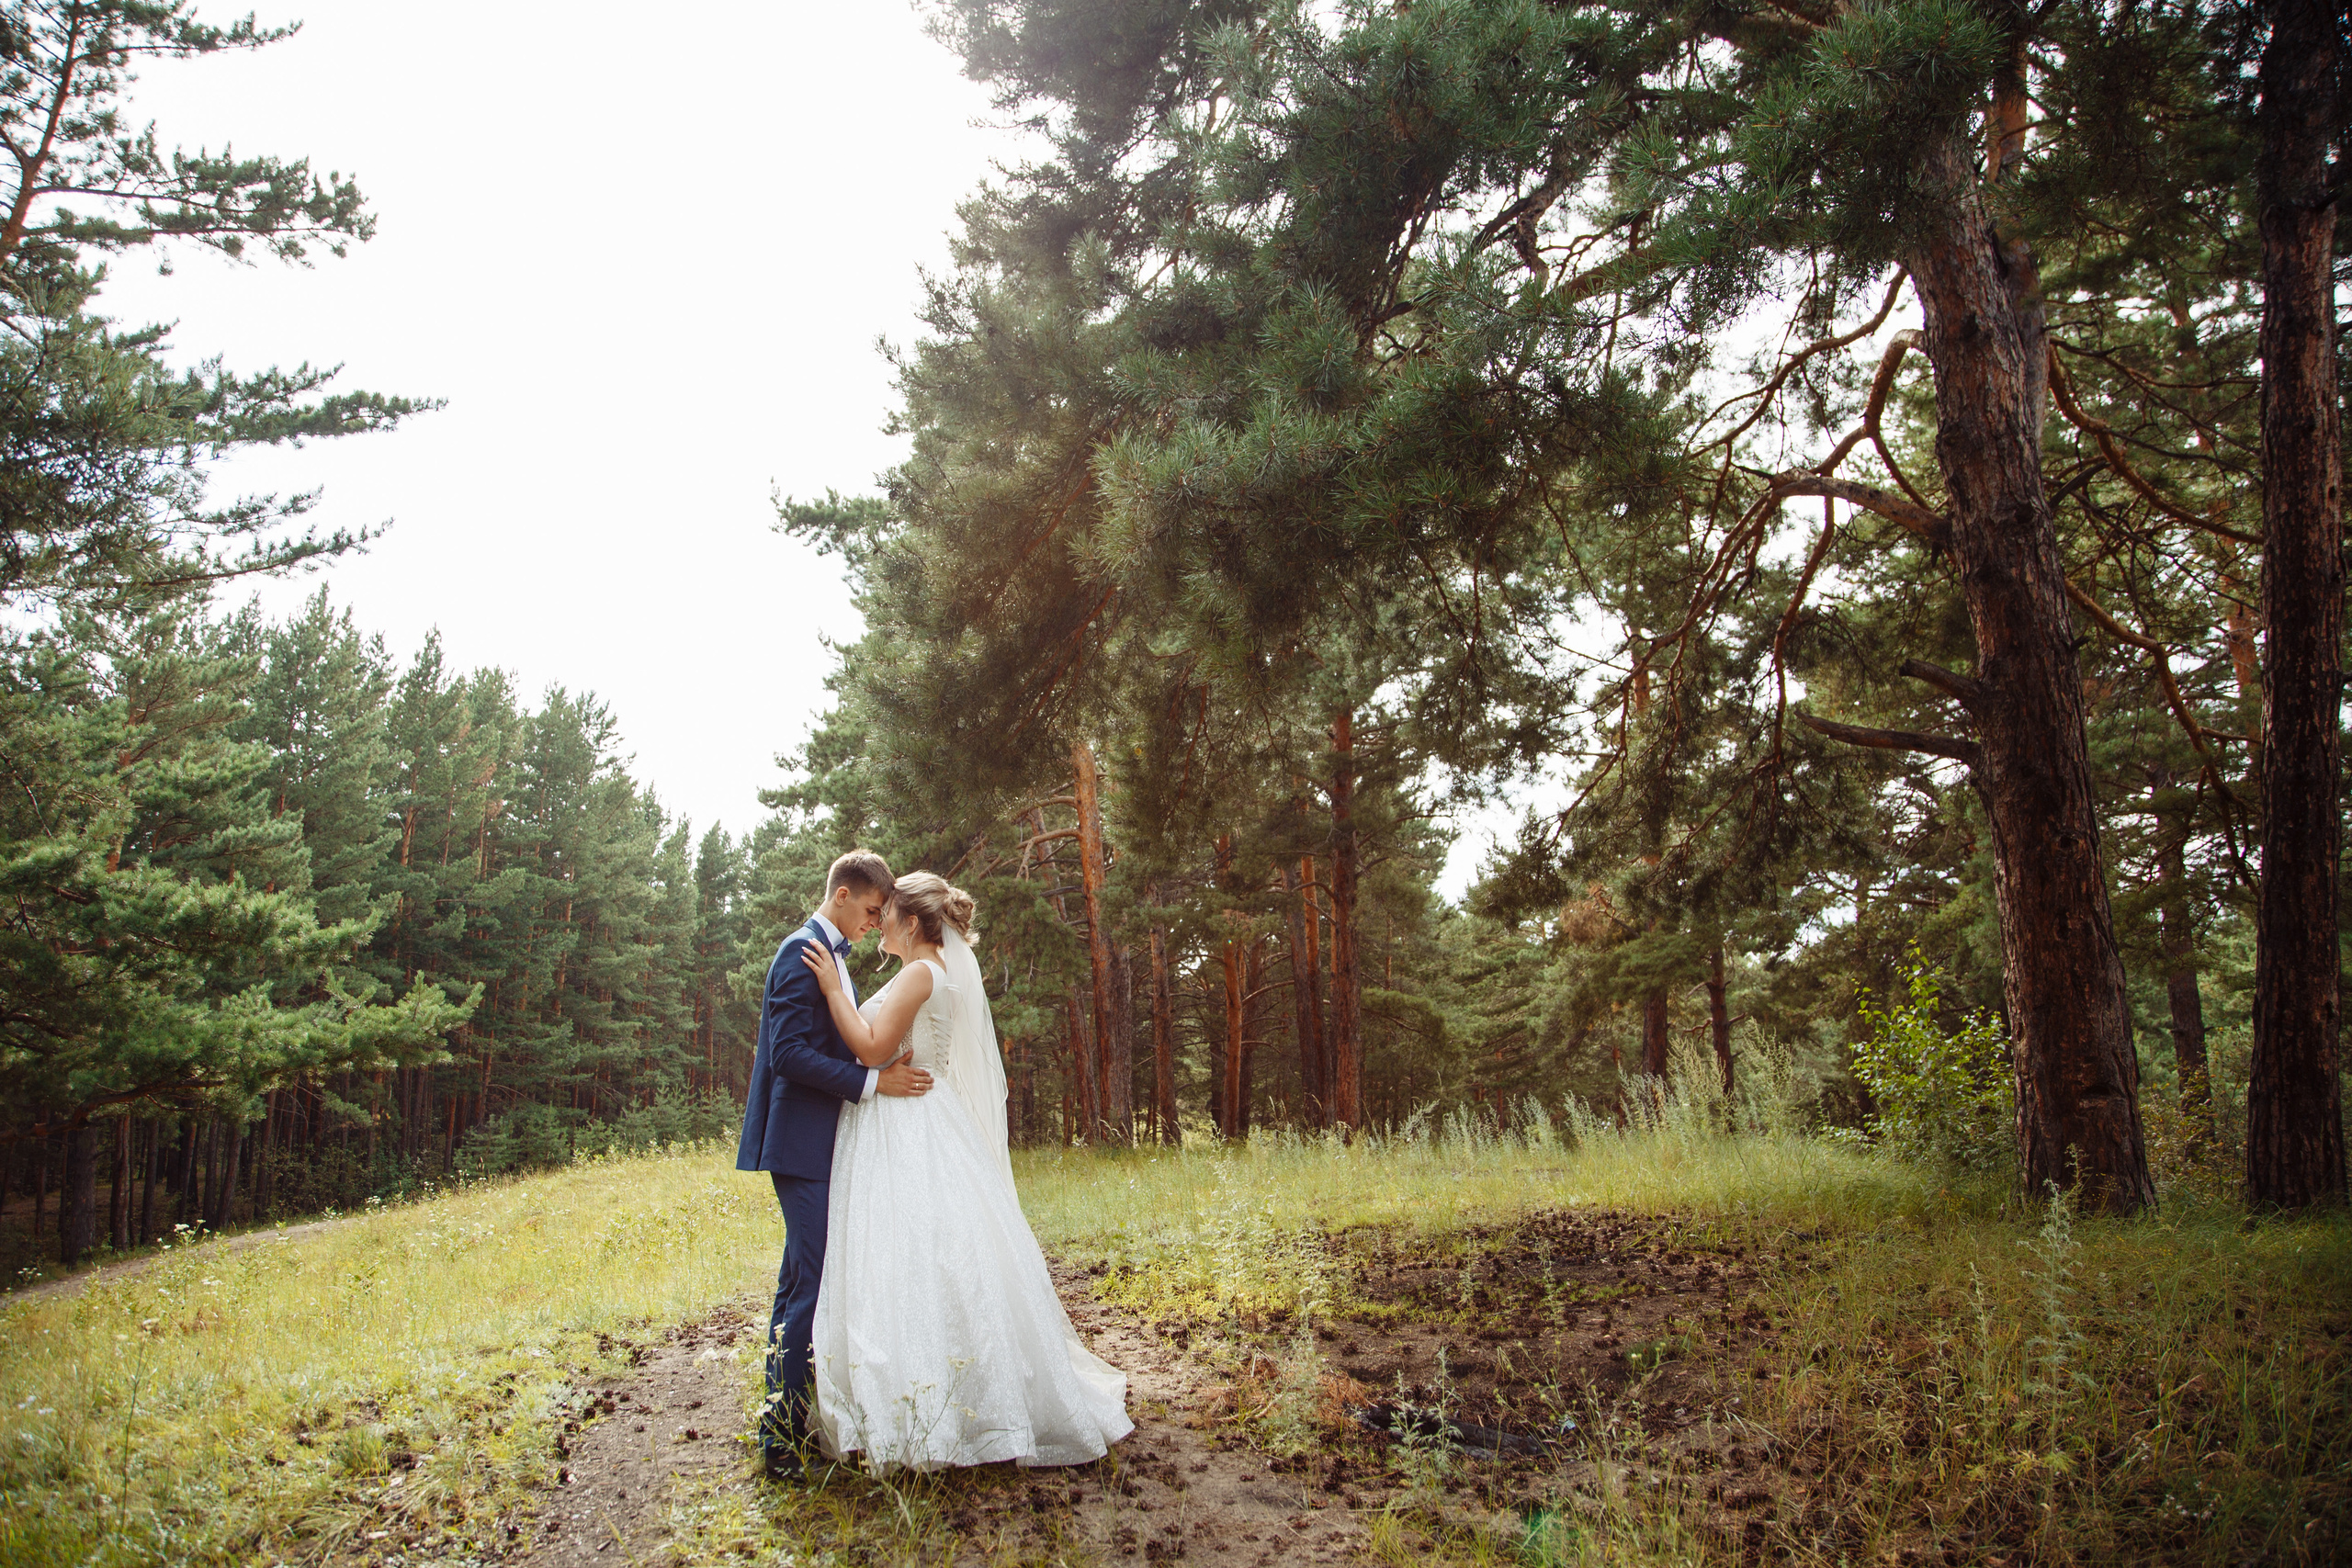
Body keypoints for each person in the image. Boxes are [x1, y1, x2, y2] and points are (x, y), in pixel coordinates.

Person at [800, 870, 1133, 1471]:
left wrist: (831, 991)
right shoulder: (940, 973)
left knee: (905, 1256)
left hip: (904, 1125)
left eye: (888, 912)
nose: (878, 922)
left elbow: (873, 1050)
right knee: (933, 1255)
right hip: (921, 1115)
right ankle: (948, 1391)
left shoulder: (922, 973)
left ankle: (924, 1409)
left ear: (914, 922)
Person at [735, 850, 934, 1481]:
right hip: (798, 1141)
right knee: (809, 1287)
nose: (874, 924)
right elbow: (789, 1055)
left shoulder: (828, 956)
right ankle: (781, 1443)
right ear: (843, 894)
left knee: (799, 1281)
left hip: (819, 1139)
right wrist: (872, 1083)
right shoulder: (802, 952)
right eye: (872, 911)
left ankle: (785, 1421)